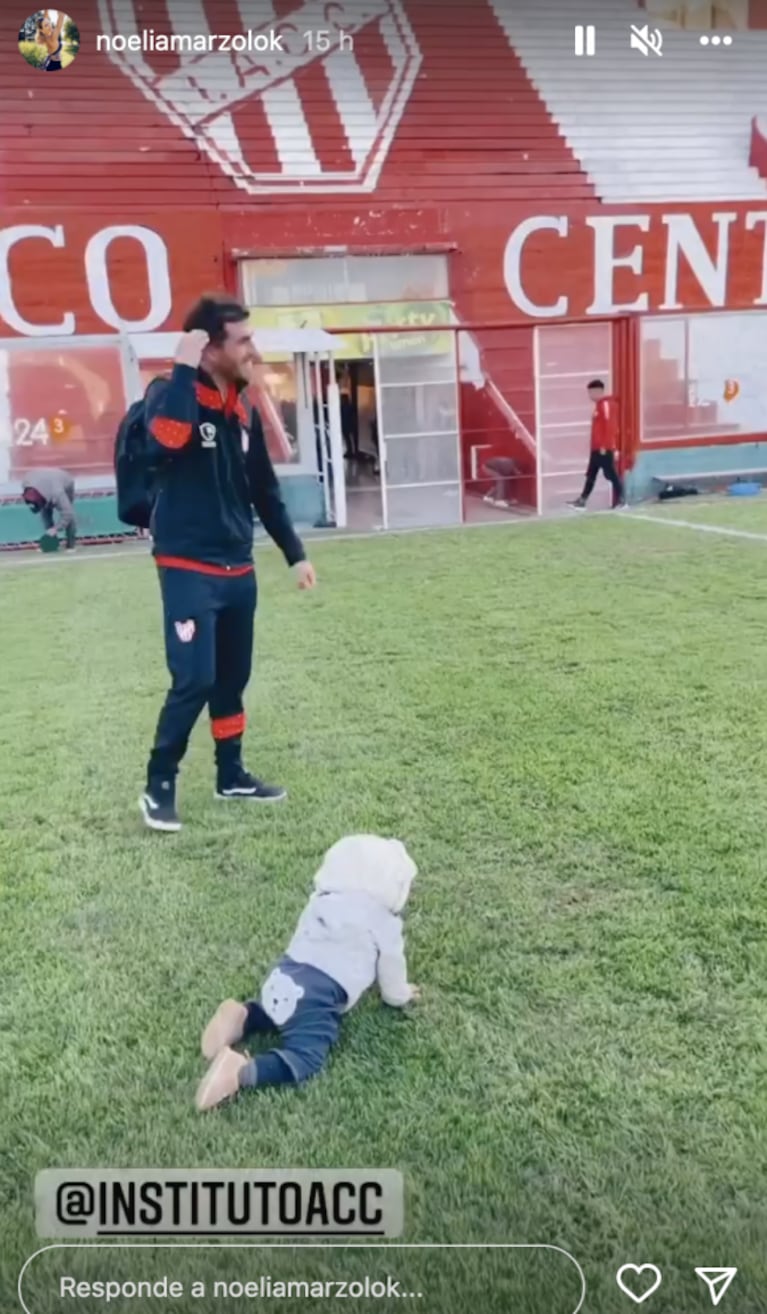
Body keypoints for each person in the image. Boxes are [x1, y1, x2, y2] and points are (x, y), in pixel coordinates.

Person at [139, 294, 317, 835]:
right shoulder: (169, 394)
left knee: (231, 680)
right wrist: (181, 363)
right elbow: (167, 441)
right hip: (188, 563)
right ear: (209, 347)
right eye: (242, 340)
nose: (253, 349)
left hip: (238, 568)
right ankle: (159, 785)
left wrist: (295, 554)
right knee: (193, 678)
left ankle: (231, 774)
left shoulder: (241, 408)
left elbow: (263, 489)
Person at [195, 834, 420, 1110]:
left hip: (285, 975)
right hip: (318, 997)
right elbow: (391, 972)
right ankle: (239, 1070)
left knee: (278, 1010)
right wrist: (400, 994)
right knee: (306, 1057)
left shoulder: (321, 901)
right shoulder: (385, 922)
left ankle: (245, 1015)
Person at [569, 379, 627, 510]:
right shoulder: (599, 405)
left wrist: (605, 446)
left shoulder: (605, 404)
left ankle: (622, 500)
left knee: (611, 474)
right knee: (591, 474)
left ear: (597, 391)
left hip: (603, 448)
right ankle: (582, 500)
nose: (589, 396)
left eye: (590, 392)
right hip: (597, 448)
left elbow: (610, 426)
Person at [21, 467, 77, 549]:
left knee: (69, 513)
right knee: (45, 514)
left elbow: (67, 514)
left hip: (64, 480)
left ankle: (71, 544)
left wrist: (56, 528)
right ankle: (52, 542)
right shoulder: (26, 484)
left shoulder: (57, 493)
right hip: (45, 484)